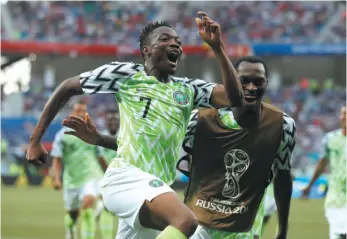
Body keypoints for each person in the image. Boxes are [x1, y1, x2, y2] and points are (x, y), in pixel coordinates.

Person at [26, 11, 244, 239]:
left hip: (156, 189)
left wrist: (217, 48)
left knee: (205, 233)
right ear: (146, 50)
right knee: (186, 222)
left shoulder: (188, 89)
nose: (175, 44)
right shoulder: (127, 75)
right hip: (126, 178)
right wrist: (35, 140)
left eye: (178, 42)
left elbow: (235, 99)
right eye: (165, 39)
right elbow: (67, 86)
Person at [63, 56, 296, 239]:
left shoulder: (282, 126)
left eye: (259, 82)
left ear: (267, 84)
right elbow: (157, 143)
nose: (252, 87)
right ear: (232, 82)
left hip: (245, 229)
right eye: (244, 81)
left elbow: (283, 175)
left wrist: (283, 229)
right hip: (200, 224)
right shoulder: (200, 119)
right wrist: (100, 139)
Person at [50, 101, 107, 239]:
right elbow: (57, 159)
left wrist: (110, 173)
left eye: (83, 111)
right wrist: (57, 178)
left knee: (88, 204)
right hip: (71, 180)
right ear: (72, 114)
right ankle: (70, 228)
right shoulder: (62, 135)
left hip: (90, 177)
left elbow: (100, 157)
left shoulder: (92, 134)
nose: (81, 114)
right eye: (78, 111)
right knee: (73, 214)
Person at [302, 106, 346, 239]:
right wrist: (309, 186)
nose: (345, 117)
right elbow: (322, 164)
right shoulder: (330, 139)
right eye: (343, 113)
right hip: (336, 199)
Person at [94, 109, 120, 239]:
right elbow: (100, 158)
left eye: (115, 120)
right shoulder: (101, 137)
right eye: (111, 120)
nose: (113, 122)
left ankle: (100, 204)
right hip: (105, 175)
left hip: (123, 175)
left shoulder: (125, 135)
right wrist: (110, 174)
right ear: (106, 122)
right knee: (108, 208)